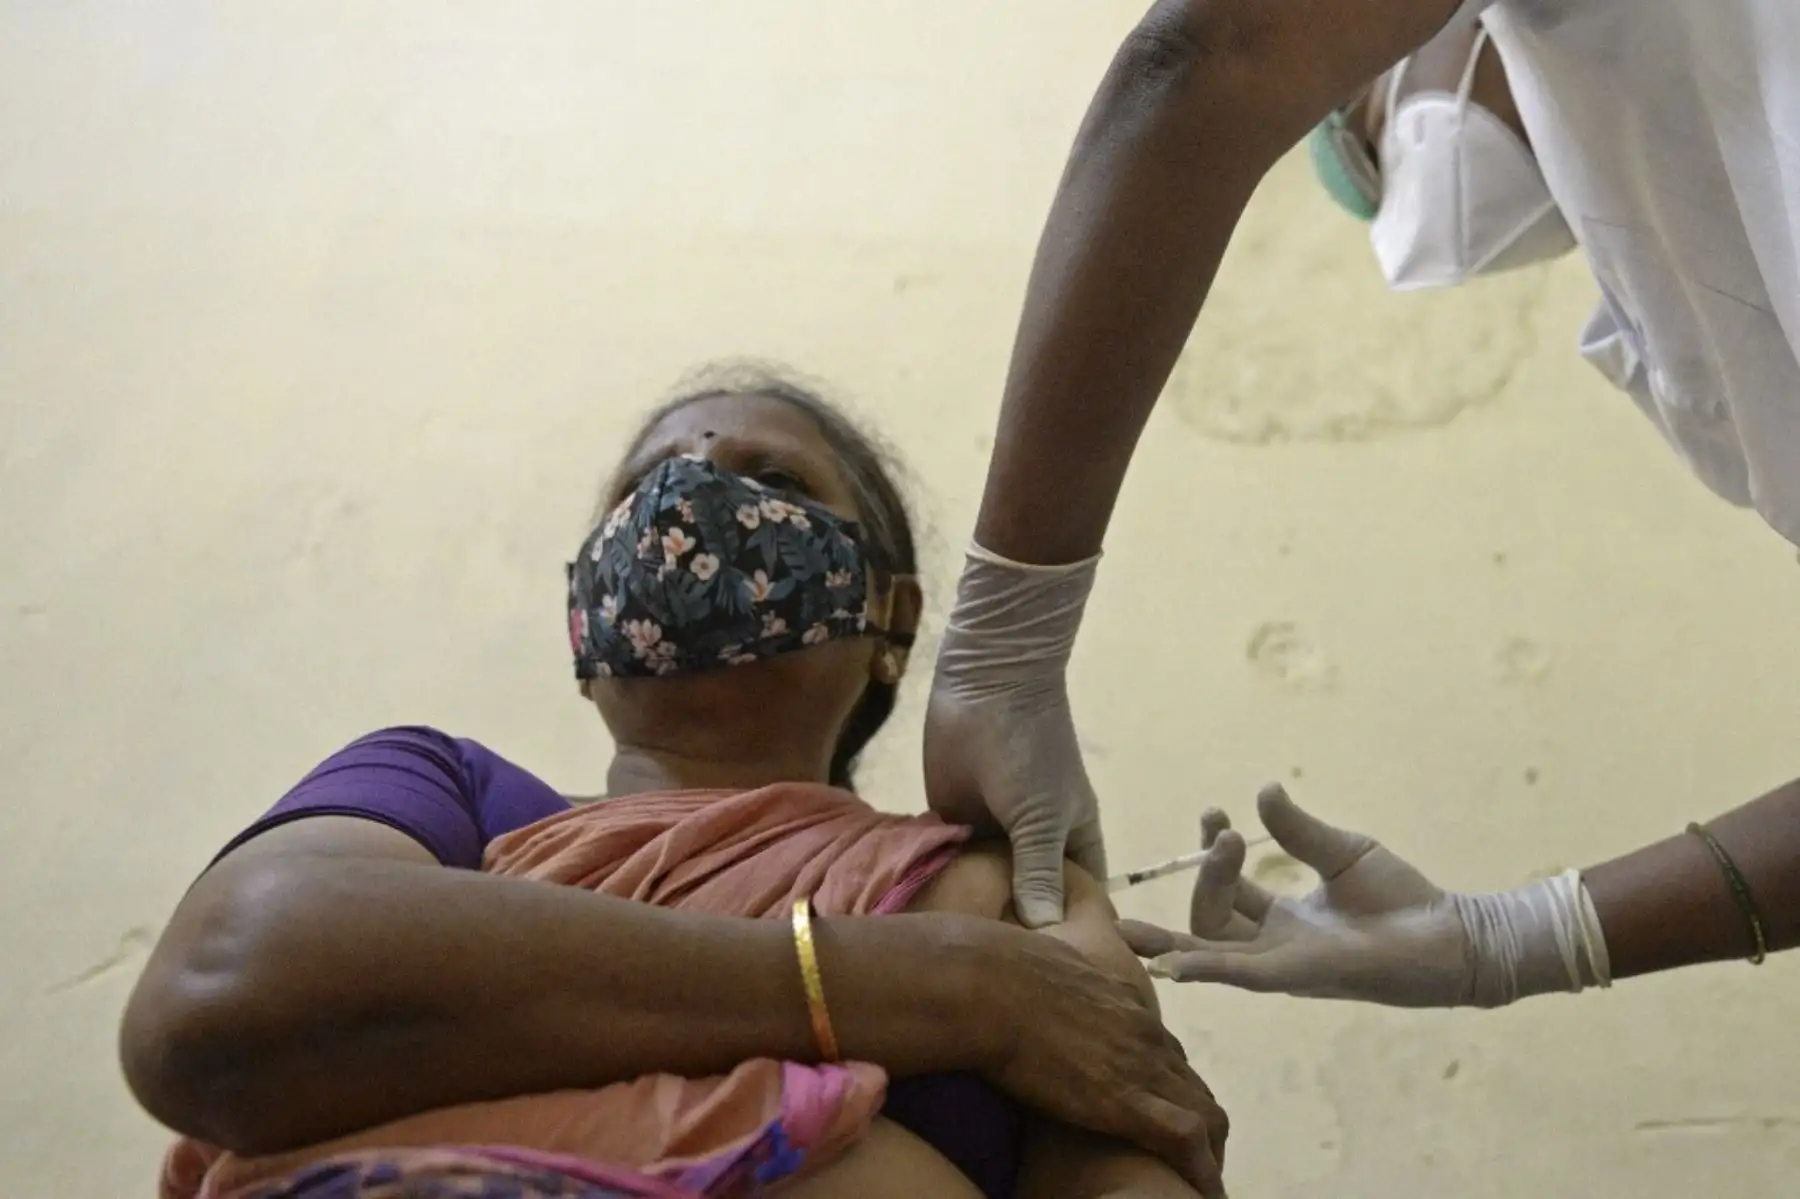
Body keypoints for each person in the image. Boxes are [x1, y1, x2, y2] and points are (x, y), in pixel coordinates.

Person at [120, 366, 1228, 1199]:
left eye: (774, 478)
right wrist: (945, 989)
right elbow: (219, 991)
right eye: (648, 485)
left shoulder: (992, 877)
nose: (692, 500)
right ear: (584, 616)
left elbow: (1137, 1147)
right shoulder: (447, 793)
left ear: (890, 617)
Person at [922, 0, 1799, 1006]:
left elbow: (1218, 53)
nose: (1409, 169)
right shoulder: (1706, 301)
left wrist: (1005, 639)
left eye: (1365, 118)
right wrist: (1509, 941)